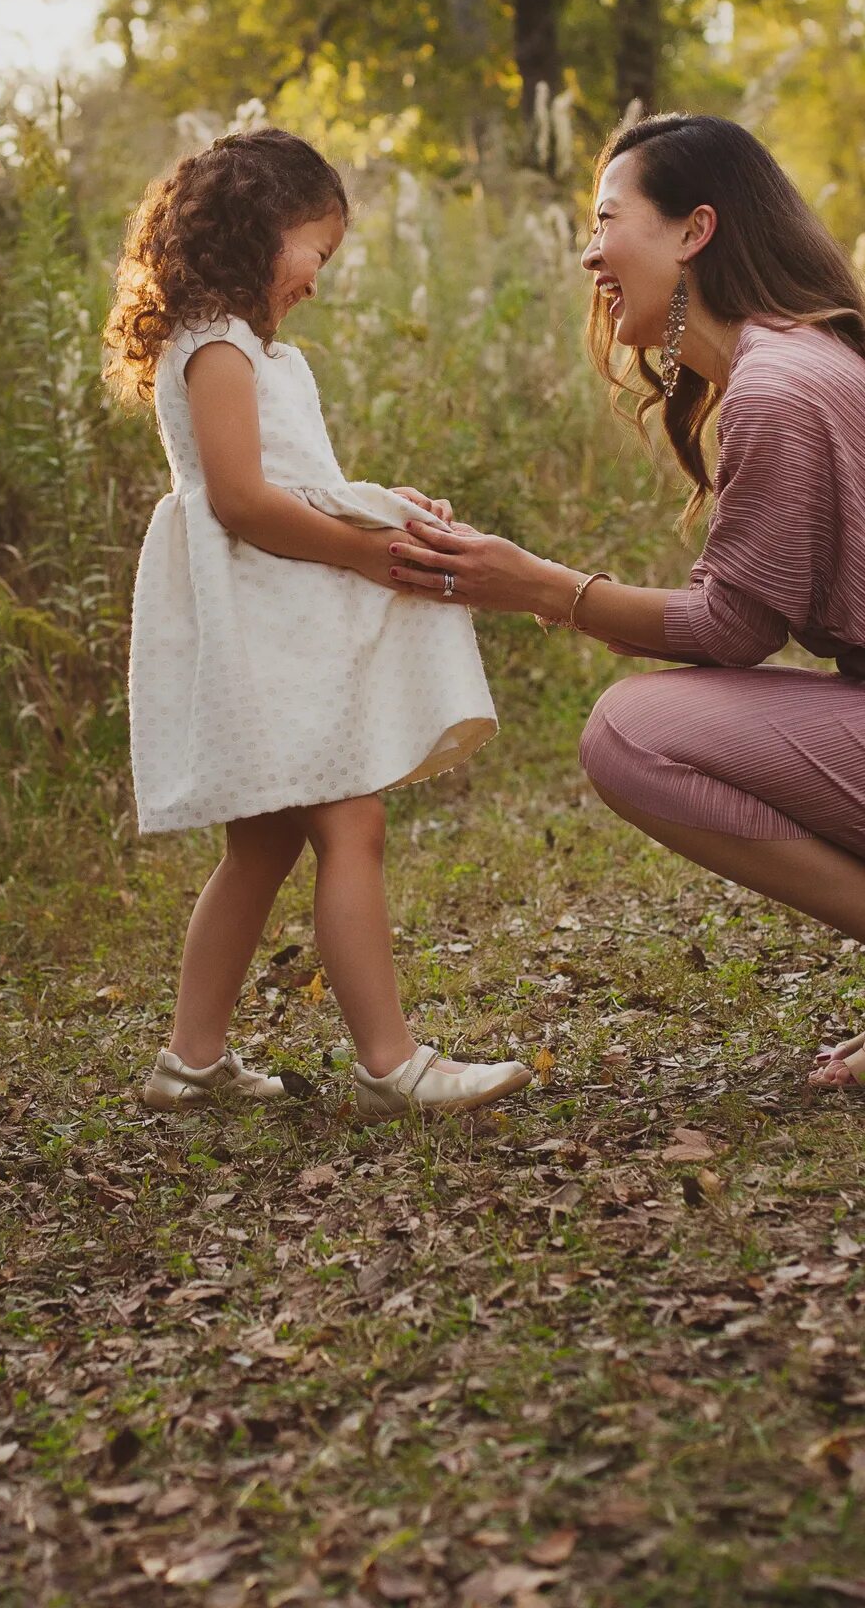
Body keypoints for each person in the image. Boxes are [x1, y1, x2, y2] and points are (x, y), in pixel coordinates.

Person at [385, 115, 865, 1087]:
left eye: (609, 219)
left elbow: (731, 630)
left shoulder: (781, 384)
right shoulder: (790, 359)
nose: (591, 251)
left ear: (694, 231)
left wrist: (537, 586)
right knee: (649, 726)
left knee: (628, 734)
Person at [108, 127, 535, 1121]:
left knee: (259, 845)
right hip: (259, 612)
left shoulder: (249, 348)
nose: (318, 277)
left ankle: (189, 1059)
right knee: (352, 819)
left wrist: (375, 501)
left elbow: (296, 484)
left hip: (276, 608)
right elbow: (244, 502)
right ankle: (392, 1064)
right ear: (262, 226)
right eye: (319, 249)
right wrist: (358, 547)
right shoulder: (216, 345)